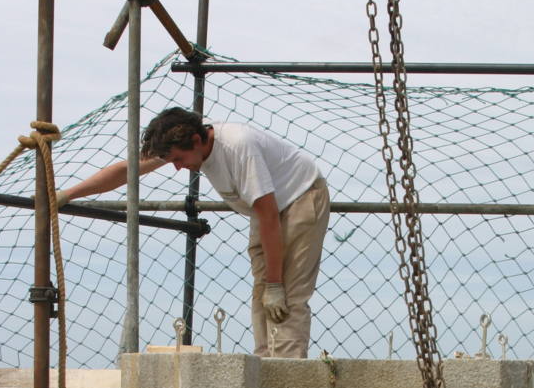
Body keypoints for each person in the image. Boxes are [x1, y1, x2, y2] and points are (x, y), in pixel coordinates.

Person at [58, 107, 330, 358]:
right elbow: (127, 170)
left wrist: (275, 283)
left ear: (198, 140)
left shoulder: (238, 147)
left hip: (300, 198)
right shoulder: (183, 143)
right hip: (266, 207)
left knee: (287, 298)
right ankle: (265, 372)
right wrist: (68, 194)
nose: (177, 167)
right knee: (264, 298)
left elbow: (269, 215)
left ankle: (288, 387)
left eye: (179, 159)